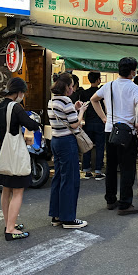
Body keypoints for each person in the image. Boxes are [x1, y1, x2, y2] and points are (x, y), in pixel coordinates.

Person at [91, 57, 138, 215]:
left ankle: (110, 200)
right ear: (132, 71)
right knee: (127, 168)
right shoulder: (133, 87)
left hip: (110, 130)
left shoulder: (108, 85)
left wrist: (104, 118)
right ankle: (125, 204)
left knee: (110, 167)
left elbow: (93, 100)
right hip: (127, 133)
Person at [0, 78, 40, 241]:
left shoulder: (0, 106)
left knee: (6, 189)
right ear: (18, 93)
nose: (23, 96)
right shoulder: (15, 107)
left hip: (4, 151)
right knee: (18, 191)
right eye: (23, 93)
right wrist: (37, 122)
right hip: (14, 154)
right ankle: (11, 229)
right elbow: (31, 124)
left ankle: (9, 223)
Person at [48, 73, 89, 228]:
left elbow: (64, 117)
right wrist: (81, 111)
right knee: (70, 179)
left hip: (56, 141)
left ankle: (56, 215)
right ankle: (68, 218)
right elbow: (74, 124)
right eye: (71, 86)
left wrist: (74, 108)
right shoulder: (66, 101)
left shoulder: (52, 101)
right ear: (66, 87)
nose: (72, 89)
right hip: (67, 142)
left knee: (58, 178)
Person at [79, 71, 106, 180]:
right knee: (100, 147)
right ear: (99, 80)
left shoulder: (85, 93)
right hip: (100, 123)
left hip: (88, 123)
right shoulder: (101, 93)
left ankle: (87, 170)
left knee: (87, 146)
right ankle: (98, 171)